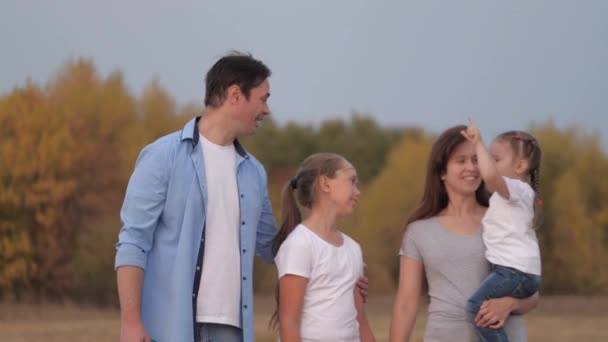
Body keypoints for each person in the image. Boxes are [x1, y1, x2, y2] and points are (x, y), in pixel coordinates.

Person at [115, 52, 277, 342]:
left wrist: (331, 243)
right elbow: (133, 242)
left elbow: (272, 247)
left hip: (233, 330)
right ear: (235, 95)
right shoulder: (161, 157)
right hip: (169, 327)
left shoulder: (255, 173)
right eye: (263, 98)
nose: (267, 110)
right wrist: (130, 322)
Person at [389, 125, 539, 342]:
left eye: (477, 159)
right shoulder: (418, 230)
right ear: (441, 171)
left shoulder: (508, 221)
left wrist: (509, 304)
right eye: (461, 161)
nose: (472, 167)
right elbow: (406, 303)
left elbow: (532, 294)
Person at [272, 153, 376, 342]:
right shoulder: (300, 244)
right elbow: (289, 323)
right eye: (352, 182)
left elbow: (360, 320)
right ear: (325, 184)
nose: (357, 191)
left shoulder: (353, 249)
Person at [461, 118, 542, 342]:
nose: (485, 163)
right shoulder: (507, 196)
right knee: (482, 307)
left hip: (515, 272)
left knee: (475, 307)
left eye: (494, 158)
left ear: (520, 166)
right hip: (515, 271)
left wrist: (478, 143)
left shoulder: (517, 189)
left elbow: (490, 176)